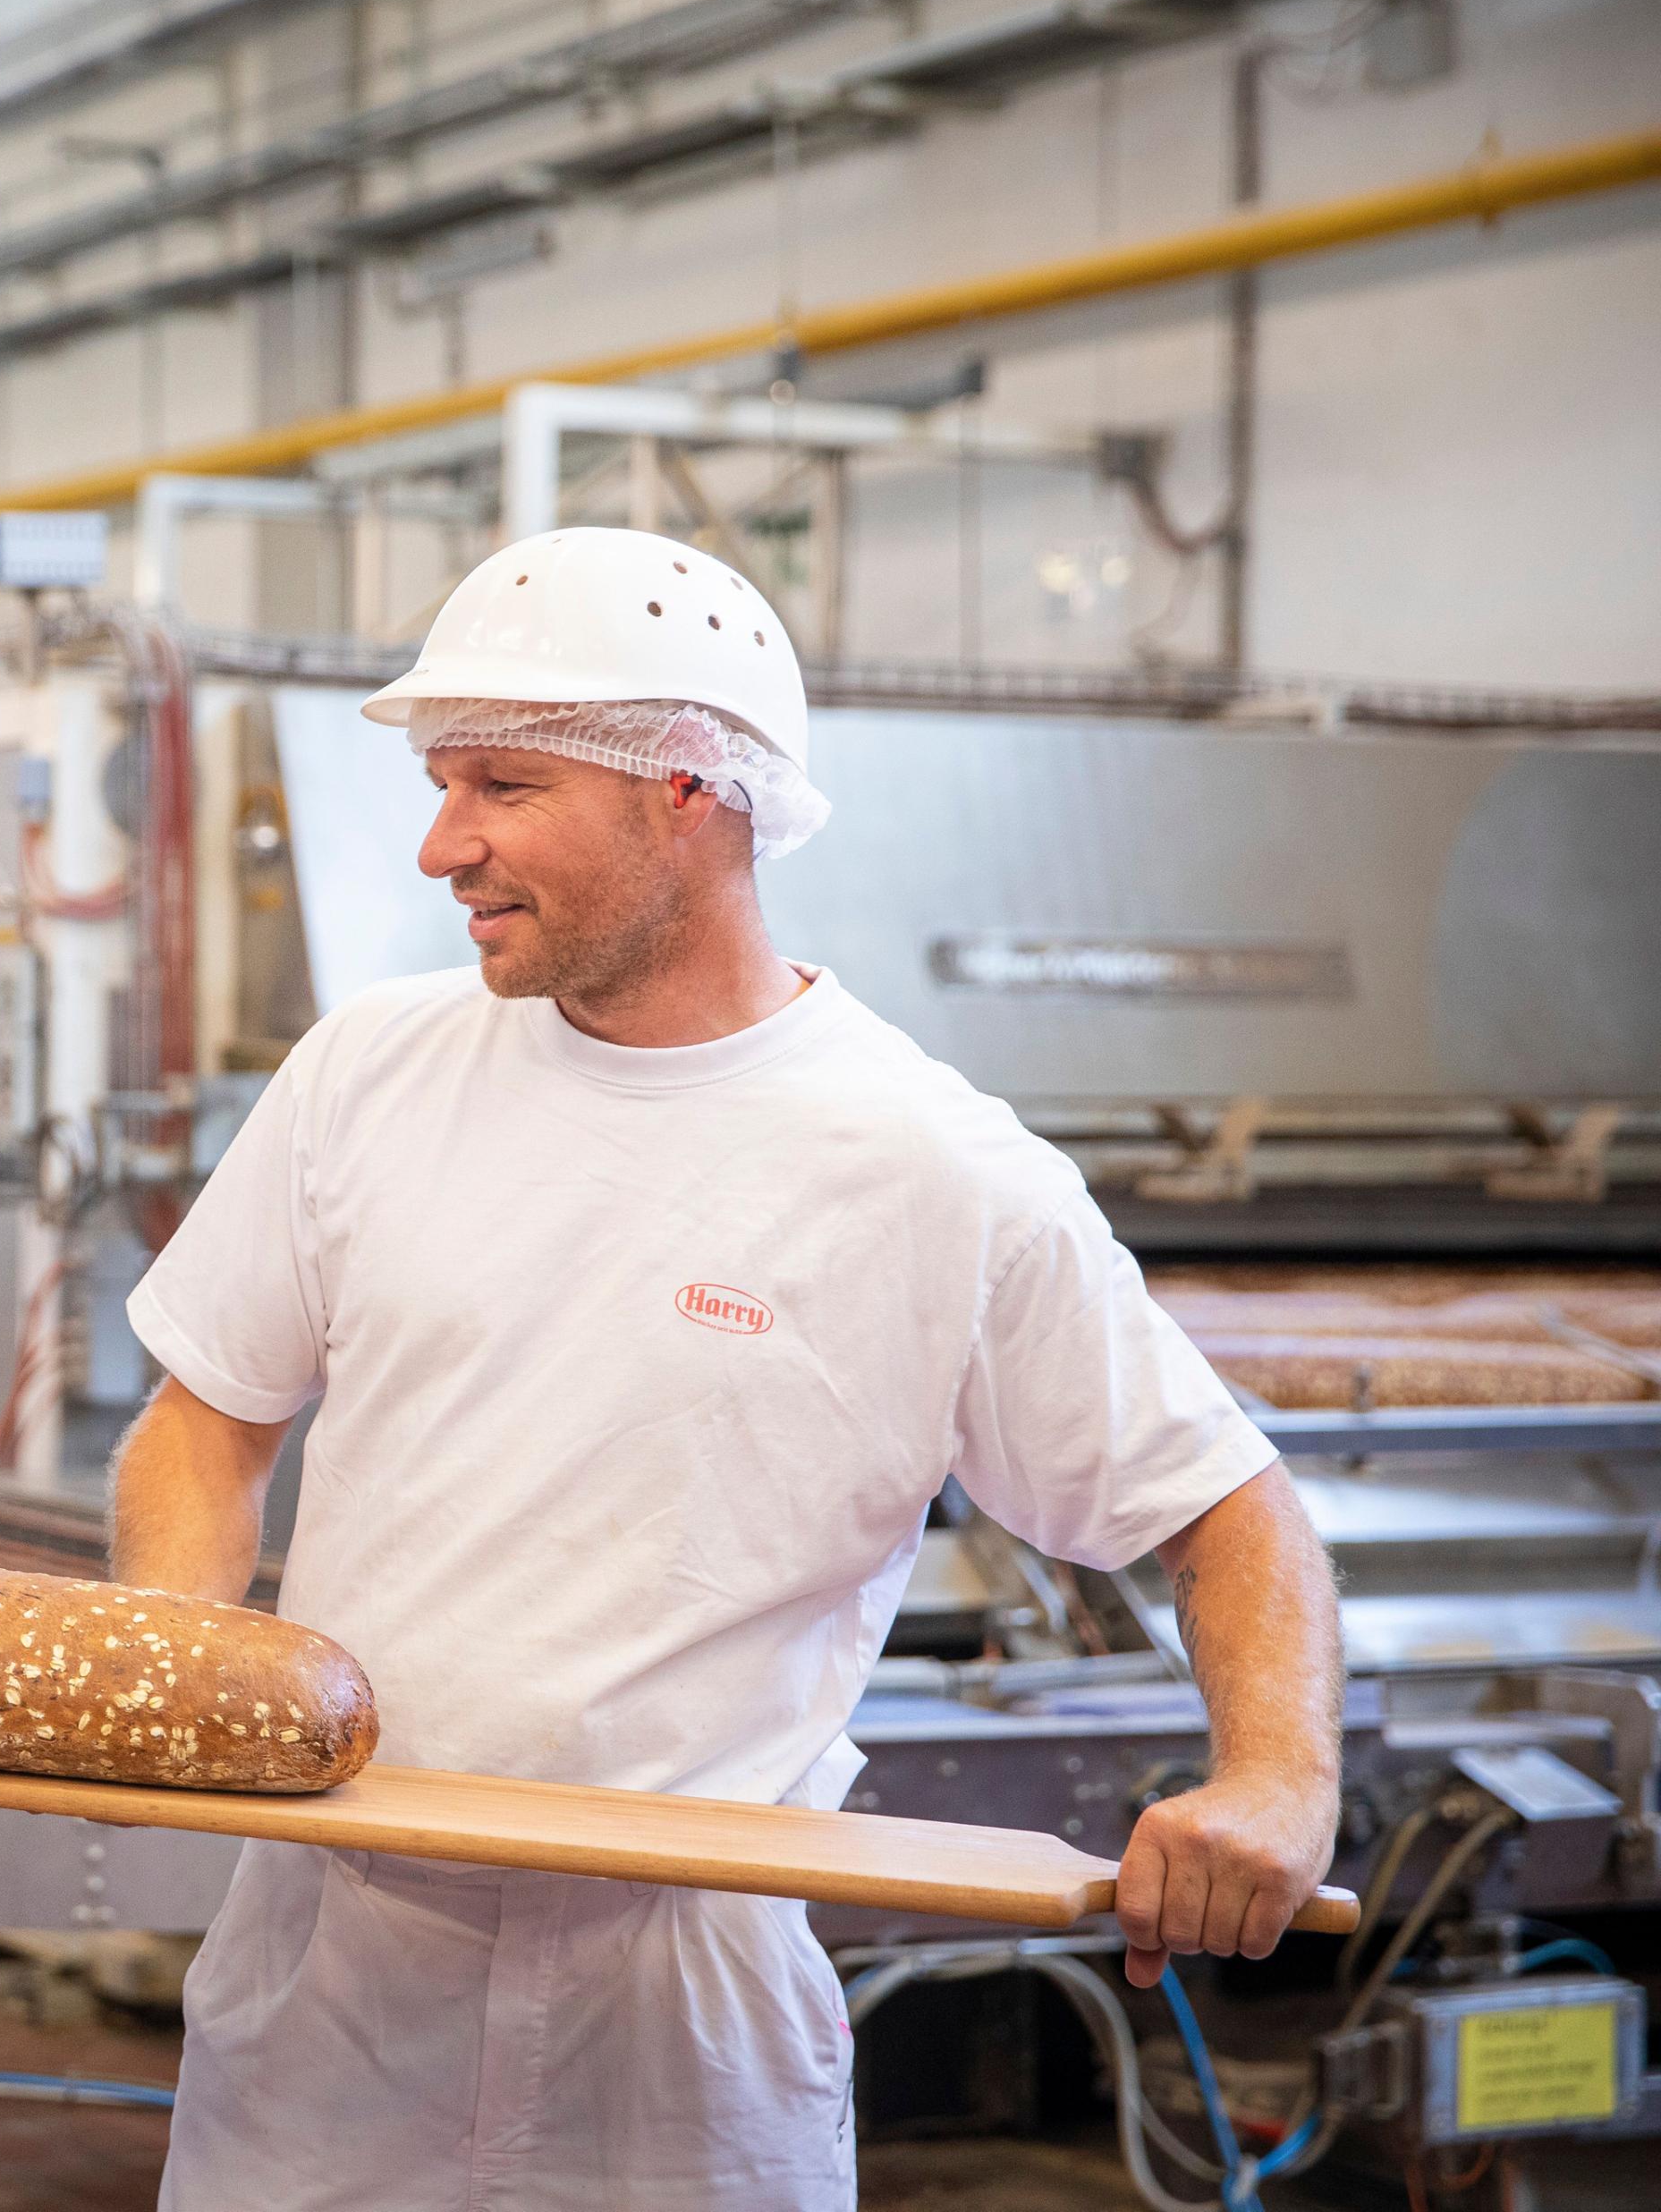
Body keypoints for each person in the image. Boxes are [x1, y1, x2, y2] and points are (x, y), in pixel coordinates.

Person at [107, 527, 1343, 2210]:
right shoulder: (368, 1074)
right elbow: (209, 1422)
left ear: (688, 788)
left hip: (682, 1999)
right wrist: (180, 1659)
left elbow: (1230, 1513)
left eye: (500, 785)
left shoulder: (933, 1172)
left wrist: (1275, 1782)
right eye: (438, 781)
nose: (438, 845)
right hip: (339, 1960)